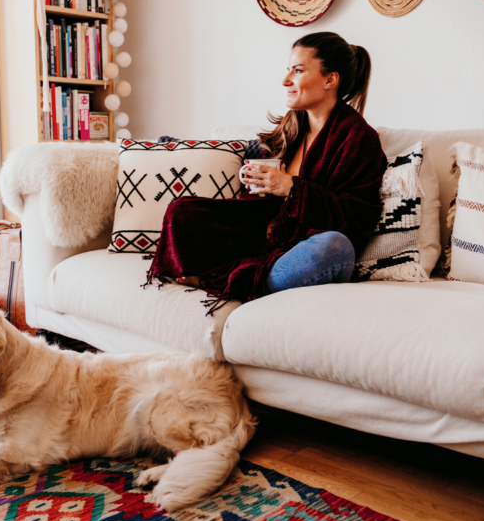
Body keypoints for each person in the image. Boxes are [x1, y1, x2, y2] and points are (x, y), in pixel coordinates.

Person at [145, 32, 387, 314]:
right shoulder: (290, 128)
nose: (285, 81)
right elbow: (263, 208)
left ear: (329, 79)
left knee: (334, 247)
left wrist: (292, 189)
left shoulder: (358, 139)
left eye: (297, 71)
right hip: (263, 241)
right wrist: (257, 185)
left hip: (306, 251)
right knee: (182, 211)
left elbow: (357, 219)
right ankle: (237, 276)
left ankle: (237, 282)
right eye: (288, 70)